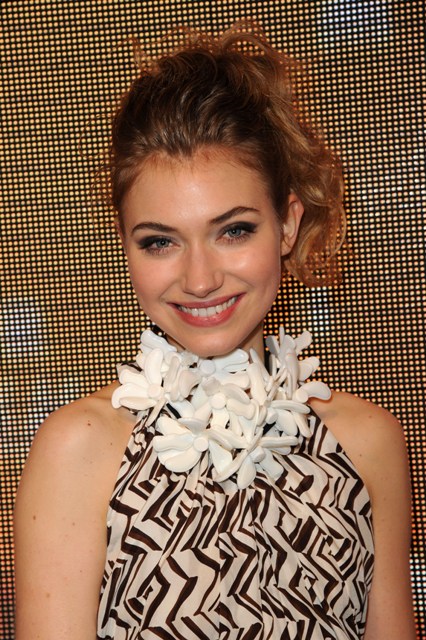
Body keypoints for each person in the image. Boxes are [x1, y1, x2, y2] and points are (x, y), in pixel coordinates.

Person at [14, 23, 415, 640]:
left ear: (287, 224)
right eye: (160, 241)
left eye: (233, 231)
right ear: (125, 245)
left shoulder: (370, 444)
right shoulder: (79, 450)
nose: (199, 279)